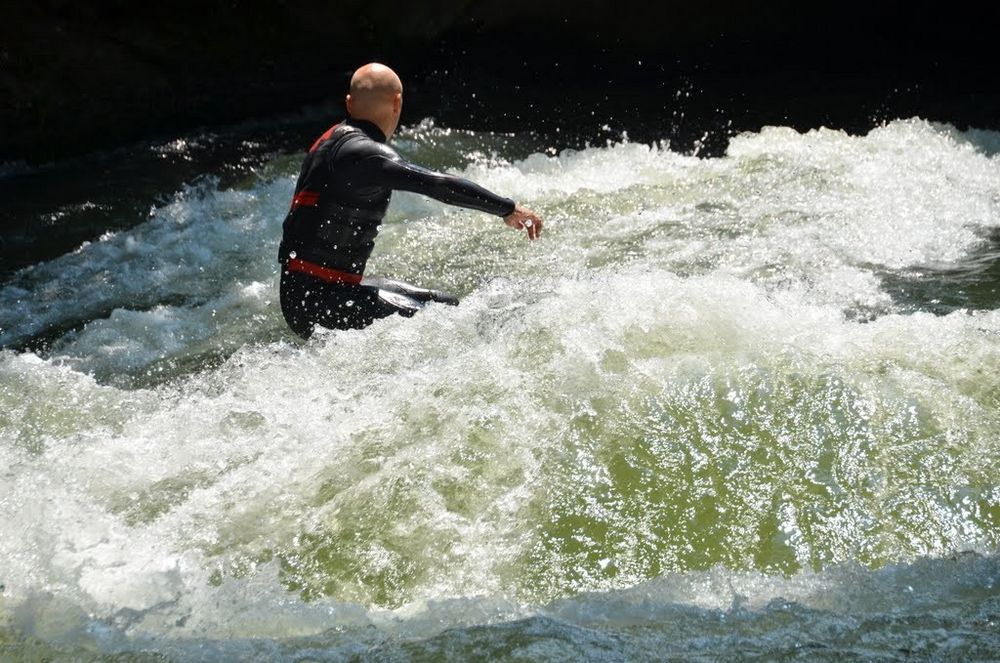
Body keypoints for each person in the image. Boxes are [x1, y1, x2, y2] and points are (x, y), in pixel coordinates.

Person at [278, 62, 543, 338]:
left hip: (315, 293)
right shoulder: (365, 154)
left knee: (446, 306)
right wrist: (507, 208)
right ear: (397, 103)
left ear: (348, 103)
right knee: (442, 325)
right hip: (317, 302)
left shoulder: (333, 142)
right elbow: (439, 185)